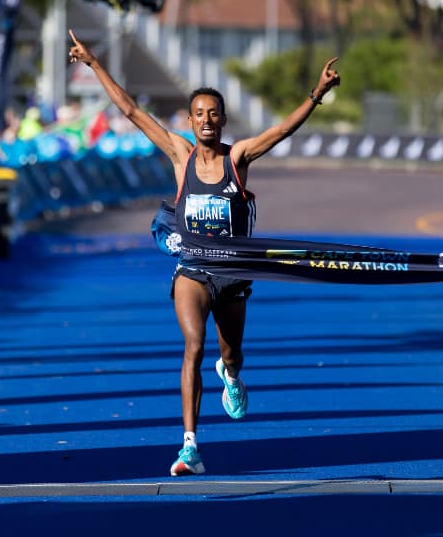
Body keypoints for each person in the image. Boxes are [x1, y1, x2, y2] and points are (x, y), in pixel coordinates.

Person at [68, 28, 341, 476]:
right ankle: (190, 446)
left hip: (233, 273)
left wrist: (316, 94)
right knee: (192, 345)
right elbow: (132, 111)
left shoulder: (240, 158)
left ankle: (230, 375)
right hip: (193, 270)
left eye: (214, 114)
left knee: (230, 353)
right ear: (191, 121)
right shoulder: (181, 155)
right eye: (199, 114)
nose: (207, 120)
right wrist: (95, 63)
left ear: (224, 119)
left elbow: (281, 131)